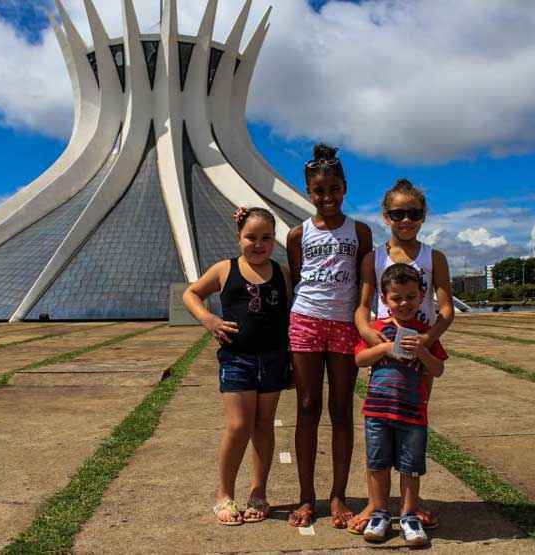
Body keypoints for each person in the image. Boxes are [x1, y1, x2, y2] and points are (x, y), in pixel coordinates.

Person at [348, 178, 454, 533]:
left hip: (419, 348)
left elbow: (446, 308)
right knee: (379, 423)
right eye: (398, 213)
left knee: (413, 421)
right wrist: (370, 336)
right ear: (385, 215)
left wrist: (428, 339)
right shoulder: (373, 258)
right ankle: (376, 504)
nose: (406, 220)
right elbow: (362, 307)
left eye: (414, 213)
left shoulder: (433, 257)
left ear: (423, 216)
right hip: (384, 346)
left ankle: (410, 506)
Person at [183, 207, 292, 526]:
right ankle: (224, 494)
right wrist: (208, 319)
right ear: (239, 238)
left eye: (266, 238)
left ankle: (259, 491)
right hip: (237, 359)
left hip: (273, 359)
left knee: (263, 426)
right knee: (238, 426)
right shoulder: (224, 269)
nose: (258, 244)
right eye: (251, 237)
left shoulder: (282, 272)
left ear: (274, 241)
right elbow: (192, 293)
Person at [286, 144, 373, 528]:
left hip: (343, 323)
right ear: (309, 192)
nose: (327, 197)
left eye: (334, 189)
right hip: (306, 320)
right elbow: (296, 279)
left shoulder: (360, 231)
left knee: (341, 409)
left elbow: (364, 279)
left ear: (345, 188)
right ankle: (307, 497)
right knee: (307, 406)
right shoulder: (297, 233)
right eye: (319, 191)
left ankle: (337, 494)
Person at [354, 263, 447, 547]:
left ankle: (408, 515)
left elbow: (438, 369)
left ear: (421, 296)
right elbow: (360, 360)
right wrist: (382, 348)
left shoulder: (425, 333)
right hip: (377, 413)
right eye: (396, 298)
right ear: (384, 300)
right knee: (378, 464)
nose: (404, 303)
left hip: (412, 414)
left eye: (410, 296)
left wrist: (421, 350)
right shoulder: (376, 330)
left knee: (410, 468)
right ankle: (380, 513)